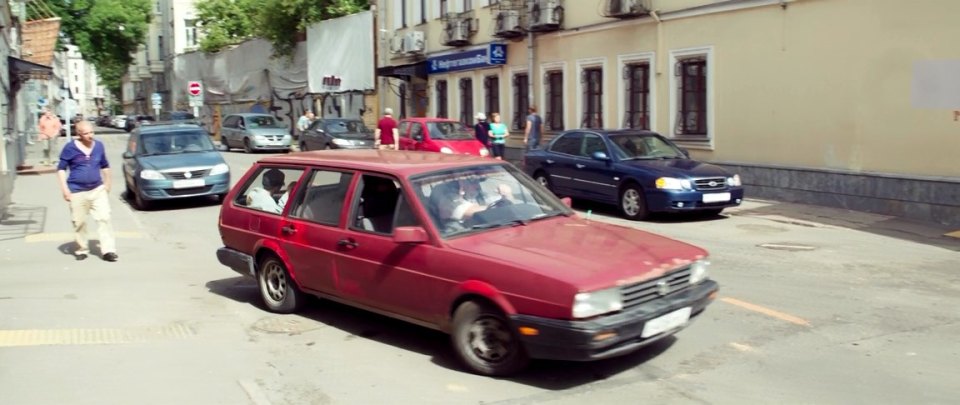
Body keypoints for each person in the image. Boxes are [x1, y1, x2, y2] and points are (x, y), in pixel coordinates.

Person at [56, 121, 118, 262]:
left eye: (91, 132)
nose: (90, 136)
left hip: (97, 189)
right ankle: (81, 249)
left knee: (104, 218)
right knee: (79, 222)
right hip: (77, 191)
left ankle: (108, 250)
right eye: (86, 133)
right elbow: (60, 169)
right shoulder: (70, 148)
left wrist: (108, 184)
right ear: (78, 134)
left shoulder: (99, 146)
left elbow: (105, 166)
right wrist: (65, 189)